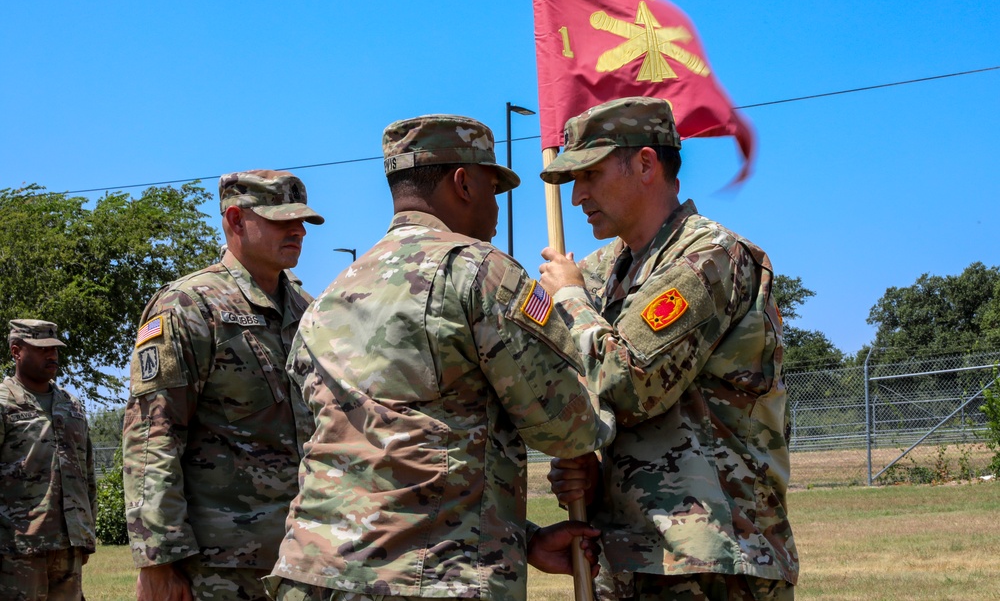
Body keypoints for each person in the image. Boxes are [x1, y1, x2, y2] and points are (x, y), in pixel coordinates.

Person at [264, 114, 614, 601]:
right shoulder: (478, 271)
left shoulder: (328, 298)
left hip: (314, 574)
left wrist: (525, 537)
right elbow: (567, 427)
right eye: (494, 188)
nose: (497, 207)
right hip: (429, 580)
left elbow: (361, 455)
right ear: (463, 183)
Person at [538, 97, 798, 600]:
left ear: (645, 164)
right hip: (632, 552)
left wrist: (568, 298)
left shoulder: (710, 257)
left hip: (713, 558)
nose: (576, 197)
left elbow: (629, 383)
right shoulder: (606, 269)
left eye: (589, 174)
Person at [122, 170, 325, 601]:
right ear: (235, 220)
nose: (298, 230)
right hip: (219, 567)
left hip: (306, 555)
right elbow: (152, 435)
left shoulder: (311, 310)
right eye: (280, 219)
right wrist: (158, 559)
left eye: (301, 220)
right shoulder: (189, 306)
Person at [1, 319, 96, 601]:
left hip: (68, 545)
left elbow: (87, 473)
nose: (52, 355)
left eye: (54, 348)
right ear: (16, 351)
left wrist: (86, 533)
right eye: (42, 349)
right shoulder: (5, 403)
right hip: (15, 548)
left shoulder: (71, 405)